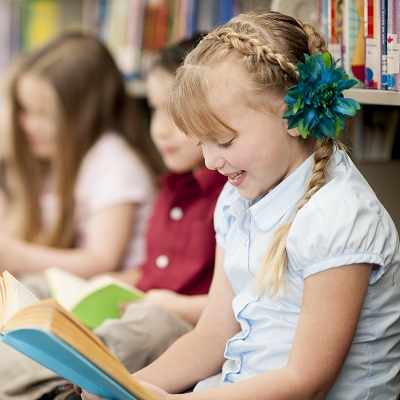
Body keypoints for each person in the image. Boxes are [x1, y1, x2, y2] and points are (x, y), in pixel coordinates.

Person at [79, 9, 400, 400]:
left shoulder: (340, 216)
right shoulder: (236, 199)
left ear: (293, 116)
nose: (211, 162)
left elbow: (306, 383)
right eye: (202, 144)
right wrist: (128, 387)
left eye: (225, 142)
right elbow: (214, 333)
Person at [0, 34, 227, 400]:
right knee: (41, 289)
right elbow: (152, 268)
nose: (159, 129)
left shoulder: (225, 197)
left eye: (174, 113)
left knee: (145, 326)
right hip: (142, 300)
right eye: (154, 110)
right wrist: (98, 286)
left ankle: (51, 381)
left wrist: (168, 303)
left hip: (179, 319)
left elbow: (228, 303)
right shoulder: (170, 189)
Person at [0, 31, 162, 297]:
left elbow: (101, 260)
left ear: (84, 114)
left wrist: (16, 255)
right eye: (26, 111)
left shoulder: (114, 163)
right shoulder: (58, 157)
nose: (29, 125)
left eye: (45, 114)